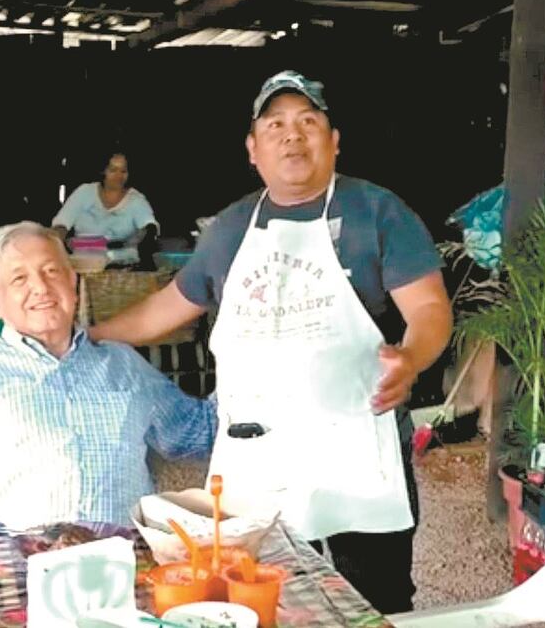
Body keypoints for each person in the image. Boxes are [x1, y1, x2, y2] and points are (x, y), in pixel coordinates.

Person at [89, 70, 452, 613]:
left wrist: (412, 357)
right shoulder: (232, 228)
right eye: (275, 125)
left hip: (355, 445)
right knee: (256, 594)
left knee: (374, 599)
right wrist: (89, 336)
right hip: (257, 453)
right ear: (253, 149)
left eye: (308, 122)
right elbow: (168, 307)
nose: (292, 135)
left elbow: (428, 310)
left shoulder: (378, 211)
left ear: (334, 141)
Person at [0, 221, 216, 537]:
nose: (41, 287)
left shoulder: (123, 364)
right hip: (22, 559)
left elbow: (198, 433)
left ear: (73, 284)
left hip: (123, 555)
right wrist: (14, 555)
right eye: (20, 278)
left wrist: (246, 355)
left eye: (51, 271)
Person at [52, 151, 159, 267]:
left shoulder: (136, 200)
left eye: (123, 171)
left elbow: (149, 226)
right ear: (103, 171)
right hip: (83, 263)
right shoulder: (84, 193)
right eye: (113, 170)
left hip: (124, 263)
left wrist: (142, 239)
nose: (118, 176)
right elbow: (61, 224)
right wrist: (57, 245)